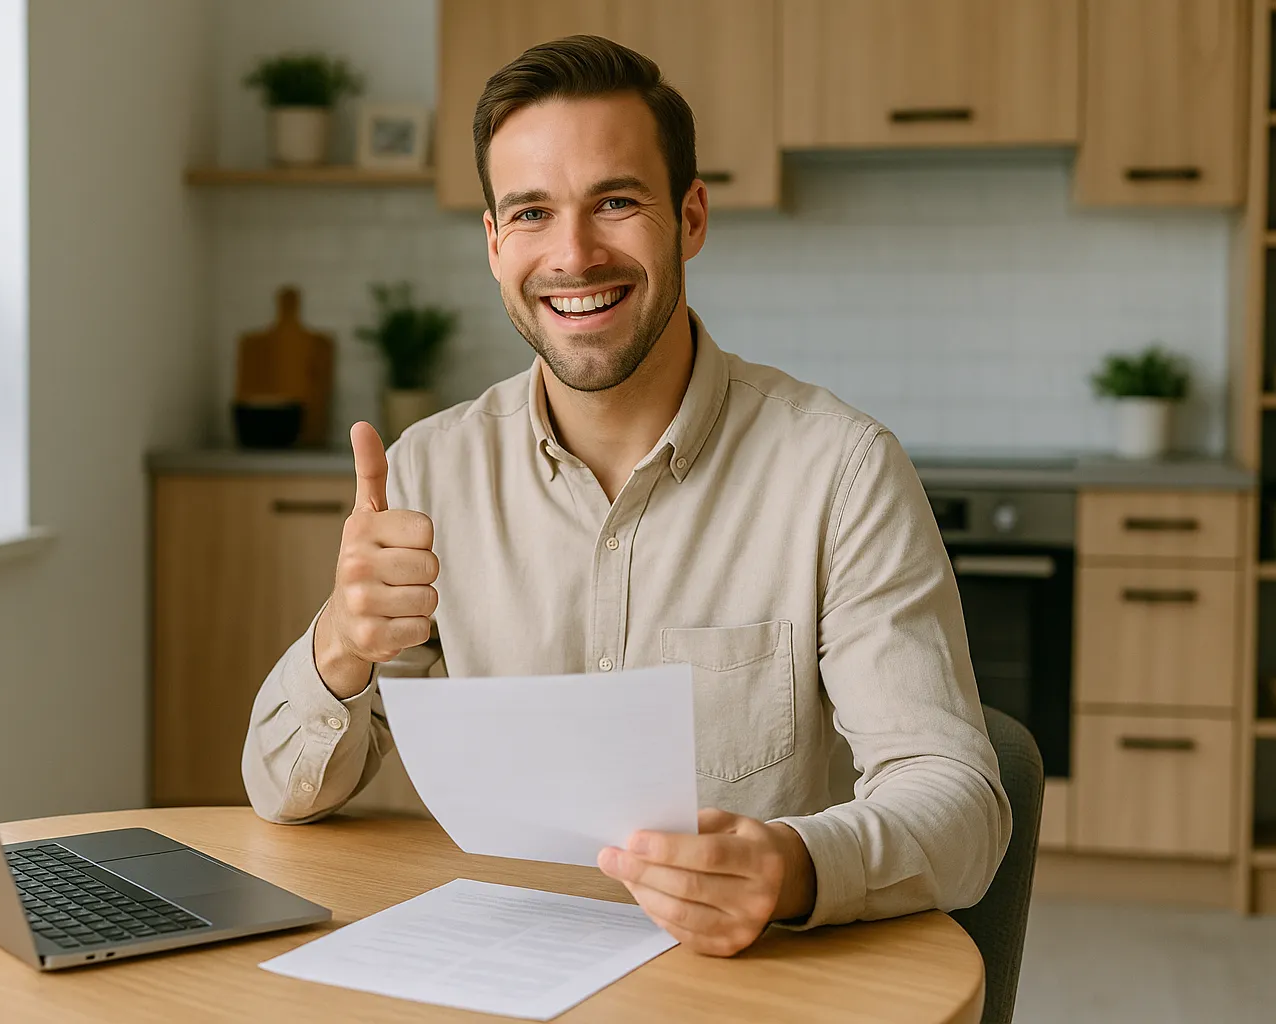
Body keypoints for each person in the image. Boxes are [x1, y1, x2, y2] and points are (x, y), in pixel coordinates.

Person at [243, 34, 1011, 957]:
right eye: (531, 212)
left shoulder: (841, 472)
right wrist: (340, 641)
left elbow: (961, 801)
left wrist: (794, 865)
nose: (574, 254)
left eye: (615, 202)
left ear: (689, 219)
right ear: (494, 245)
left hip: (752, 987)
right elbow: (279, 791)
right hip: (499, 972)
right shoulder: (427, 473)